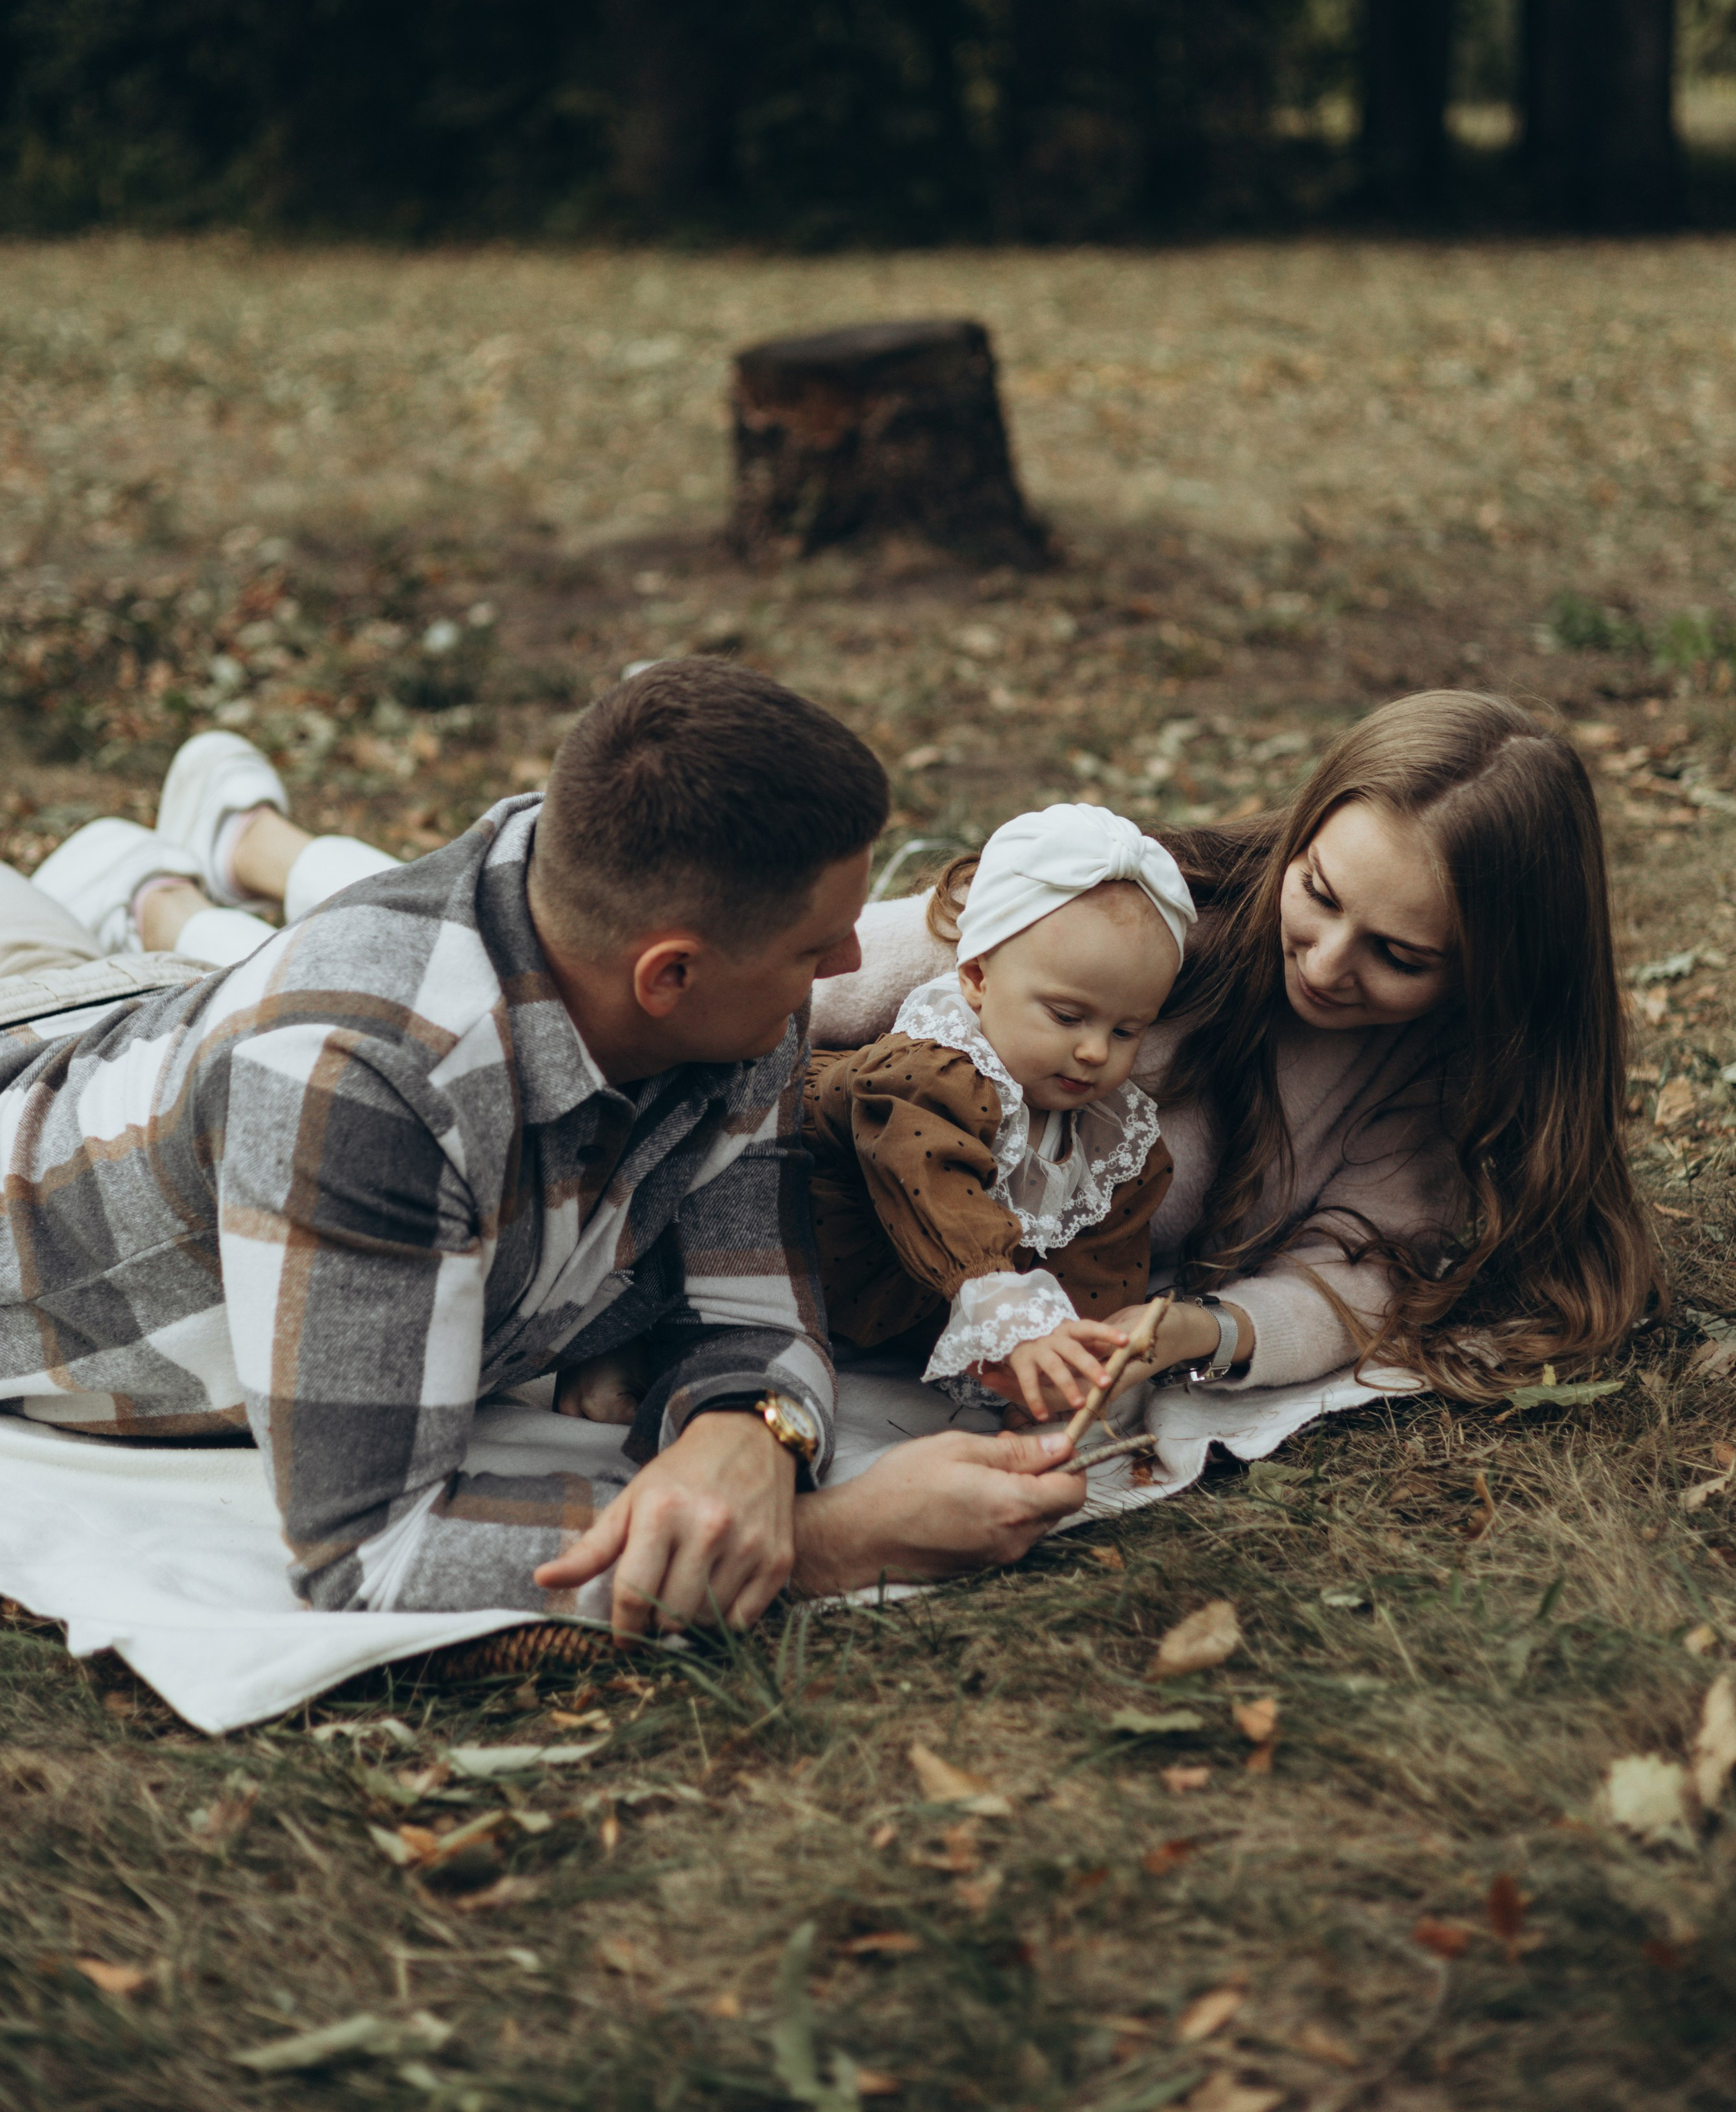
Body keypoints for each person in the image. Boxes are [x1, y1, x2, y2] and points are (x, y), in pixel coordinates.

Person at [0, 686, 1091, 1618]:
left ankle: (151, 888)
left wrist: (749, 1432)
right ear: (669, 976)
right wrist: (823, 1543)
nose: (850, 961)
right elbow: (370, 1552)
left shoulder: (712, 977)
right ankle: (144, 882)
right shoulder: (360, 1089)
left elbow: (752, 1299)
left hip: (163, 1026)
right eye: (820, 946)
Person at [809, 692, 1655, 1405]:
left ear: (1489, 975)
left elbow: (1362, 1270)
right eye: (1318, 892)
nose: (1324, 965)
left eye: (1398, 956)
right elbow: (798, 981)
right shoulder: (1131, 919)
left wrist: (1204, 1330)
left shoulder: (1430, 1077)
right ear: (1299, 836)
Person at [801, 804, 1190, 1424]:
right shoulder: (926, 1073)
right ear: (978, 977)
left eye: (1126, 1030)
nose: (1094, 1051)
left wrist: (1070, 1364)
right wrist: (1008, 1305)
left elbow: (1102, 1266)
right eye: (1067, 1016)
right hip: (784, 1253)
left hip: (891, 1318)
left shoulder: (1113, 1138)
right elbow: (931, 1179)